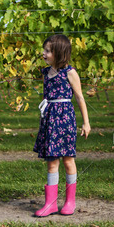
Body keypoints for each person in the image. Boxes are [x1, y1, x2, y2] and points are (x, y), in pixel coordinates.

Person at [33, 34, 91, 217]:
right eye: (44, 50)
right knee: (51, 162)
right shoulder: (46, 74)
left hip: (65, 120)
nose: (44, 53)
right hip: (50, 120)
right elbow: (46, 96)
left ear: (59, 53)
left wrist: (86, 123)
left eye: (48, 51)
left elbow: (80, 98)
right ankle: (50, 204)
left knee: (68, 160)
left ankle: (70, 201)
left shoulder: (70, 73)